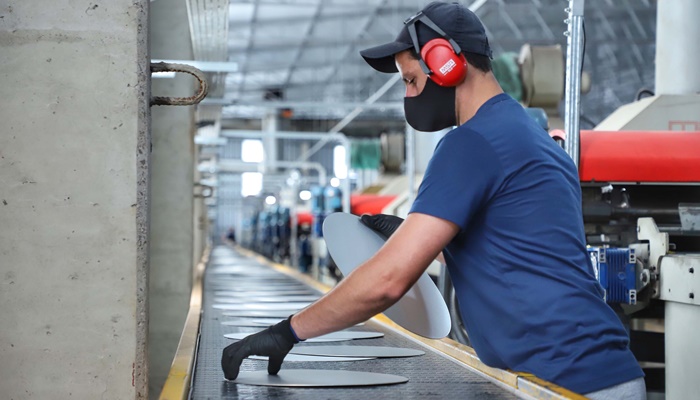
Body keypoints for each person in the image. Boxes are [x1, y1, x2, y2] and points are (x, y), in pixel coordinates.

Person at [221, 2, 645, 398]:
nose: (409, 96)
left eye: (411, 80)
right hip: (598, 375)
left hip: (568, 381)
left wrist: (289, 331)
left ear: (447, 64)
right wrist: (412, 236)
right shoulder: (532, 135)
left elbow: (387, 283)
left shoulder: (471, 142)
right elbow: (511, 251)